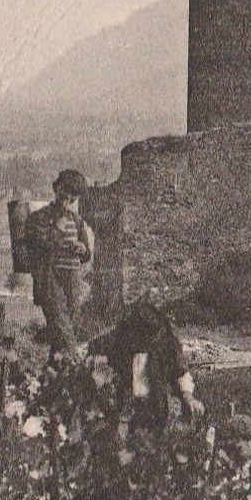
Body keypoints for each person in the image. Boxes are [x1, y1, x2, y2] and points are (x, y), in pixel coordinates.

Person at [85, 300, 202, 435]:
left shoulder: (166, 342)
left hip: (155, 408)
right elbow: (95, 348)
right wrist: (99, 366)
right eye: (141, 341)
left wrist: (189, 397)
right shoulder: (120, 337)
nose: (145, 345)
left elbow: (180, 373)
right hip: (125, 410)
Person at [24, 169, 94, 355]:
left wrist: (82, 249)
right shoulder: (39, 218)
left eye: (73, 197)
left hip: (72, 281)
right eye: (66, 194)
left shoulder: (77, 221)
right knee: (62, 326)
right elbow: (40, 244)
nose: (68, 201)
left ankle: (55, 373)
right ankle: (74, 362)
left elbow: (87, 254)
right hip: (50, 280)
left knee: (65, 328)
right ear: (56, 189)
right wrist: (56, 227)